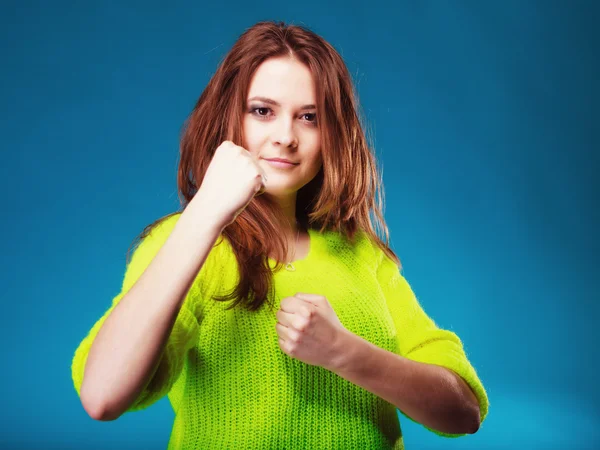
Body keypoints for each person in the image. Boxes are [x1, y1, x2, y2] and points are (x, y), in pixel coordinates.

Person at [71, 20, 489, 449]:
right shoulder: (184, 243)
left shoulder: (361, 254)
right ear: (228, 118)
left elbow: (463, 410)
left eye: (309, 118)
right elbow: (103, 395)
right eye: (262, 111)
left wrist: (345, 352)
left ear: (331, 135)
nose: (286, 137)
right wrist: (205, 213)